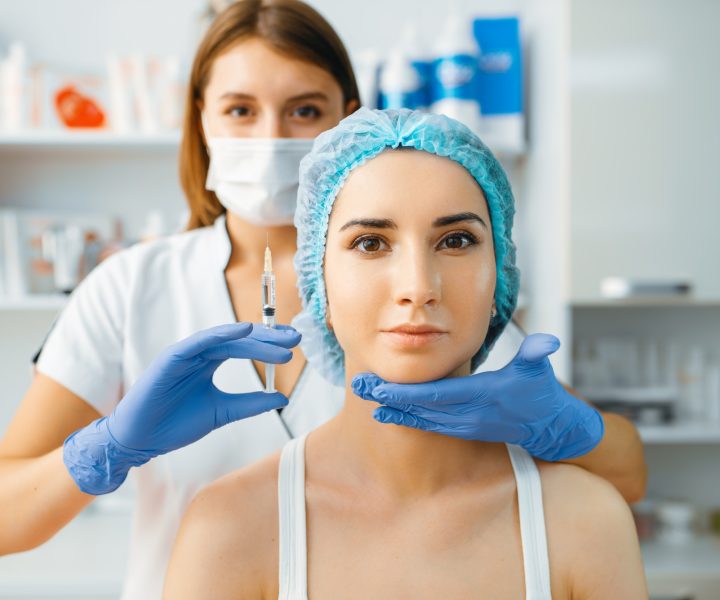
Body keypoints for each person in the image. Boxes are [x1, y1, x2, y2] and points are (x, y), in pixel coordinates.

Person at [0, 1, 645, 598]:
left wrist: (562, 426)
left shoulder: (440, 304)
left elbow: (620, 475)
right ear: (200, 119)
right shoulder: (131, 288)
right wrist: (112, 446)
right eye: (240, 110)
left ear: (349, 118)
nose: (270, 139)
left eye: (304, 110)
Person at [163, 108, 648, 599]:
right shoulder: (228, 531)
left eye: (456, 240)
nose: (418, 287)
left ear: (498, 275)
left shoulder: (586, 524)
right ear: (319, 284)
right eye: (370, 243)